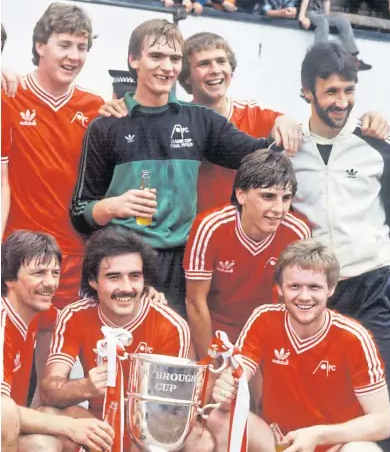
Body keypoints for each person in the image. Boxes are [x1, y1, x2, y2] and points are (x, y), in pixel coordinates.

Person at [70, 19, 299, 318]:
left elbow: (258, 153)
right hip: (124, 260)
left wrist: (285, 122)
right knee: (118, 356)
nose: (167, 67)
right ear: (133, 60)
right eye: (156, 56)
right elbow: (79, 212)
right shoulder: (106, 125)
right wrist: (113, 206)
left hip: (181, 263)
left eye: (175, 59)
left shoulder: (200, 120)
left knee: (174, 359)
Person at [100, 31, 390, 215]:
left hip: (246, 246)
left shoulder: (262, 118)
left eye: (221, 62)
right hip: (188, 242)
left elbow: (314, 129)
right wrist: (118, 105)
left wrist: (367, 119)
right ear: (186, 77)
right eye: (204, 64)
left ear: (231, 70)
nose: (215, 70)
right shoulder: (172, 119)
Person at [290, 41, 390, 452]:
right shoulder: (288, 148)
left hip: (374, 286)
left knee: (383, 403)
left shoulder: (379, 143)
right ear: (308, 91)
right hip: (317, 292)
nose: (341, 101)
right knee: (314, 398)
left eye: (349, 90)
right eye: (331, 91)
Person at [207, 239, 390, 452]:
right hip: (278, 441)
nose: (304, 297)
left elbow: (383, 422)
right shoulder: (264, 318)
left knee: (363, 450)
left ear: (331, 289)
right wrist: (228, 386)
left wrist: (318, 434)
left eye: (314, 287)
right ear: (279, 288)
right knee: (219, 419)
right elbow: (240, 370)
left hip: (333, 445)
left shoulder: (354, 337)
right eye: (294, 286)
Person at [40, 226, 213, 452]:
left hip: (149, 428)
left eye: (135, 276)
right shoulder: (74, 315)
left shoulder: (171, 324)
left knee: (201, 440)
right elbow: (49, 391)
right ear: (93, 280)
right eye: (114, 277)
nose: (126, 288)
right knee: (46, 420)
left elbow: (172, 414)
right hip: (96, 424)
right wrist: (86, 387)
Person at [1, 2, 104, 309]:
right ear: (40, 45)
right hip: (17, 253)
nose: (74, 55)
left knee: (55, 350)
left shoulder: (97, 108)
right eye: (64, 45)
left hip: (71, 256)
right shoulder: (9, 94)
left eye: (82, 47)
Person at [184, 149, 310, 357]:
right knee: (210, 385)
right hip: (215, 331)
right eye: (268, 196)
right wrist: (210, 361)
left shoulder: (298, 231)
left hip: (263, 333)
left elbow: (294, 302)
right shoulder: (210, 227)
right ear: (240, 194)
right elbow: (195, 302)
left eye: (286, 198)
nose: (279, 209)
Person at [1, 230, 114, 452]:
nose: (51, 282)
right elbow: (3, 411)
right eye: (39, 273)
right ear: (9, 279)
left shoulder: (40, 313)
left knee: (49, 439)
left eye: (55, 272)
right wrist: (70, 426)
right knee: (40, 440)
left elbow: (63, 321)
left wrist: (143, 294)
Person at [298, 0, 372, 71]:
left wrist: (327, 16)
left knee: (342, 21)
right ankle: (320, 58)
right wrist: (302, 16)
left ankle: (353, 58)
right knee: (323, 22)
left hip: (318, 12)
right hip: (307, 11)